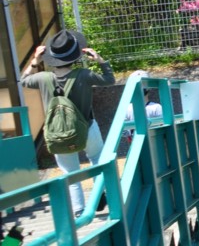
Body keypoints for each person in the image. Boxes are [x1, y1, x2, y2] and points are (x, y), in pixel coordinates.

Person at [20, 30, 115, 217]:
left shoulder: (42, 78)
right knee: (97, 160)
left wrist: (34, 61)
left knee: (69, 172)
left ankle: (79, 210)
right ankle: (100, 197)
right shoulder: (85, 75)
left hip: (57, 134)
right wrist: (100, 60)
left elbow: (23, 80)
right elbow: (109, 80)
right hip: (86, 128)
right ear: (75, 56)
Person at [120, 71, 164, 155]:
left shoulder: (156, 107)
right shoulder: (127, 108)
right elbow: (125, 133)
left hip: (154, 148)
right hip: (138, 149)